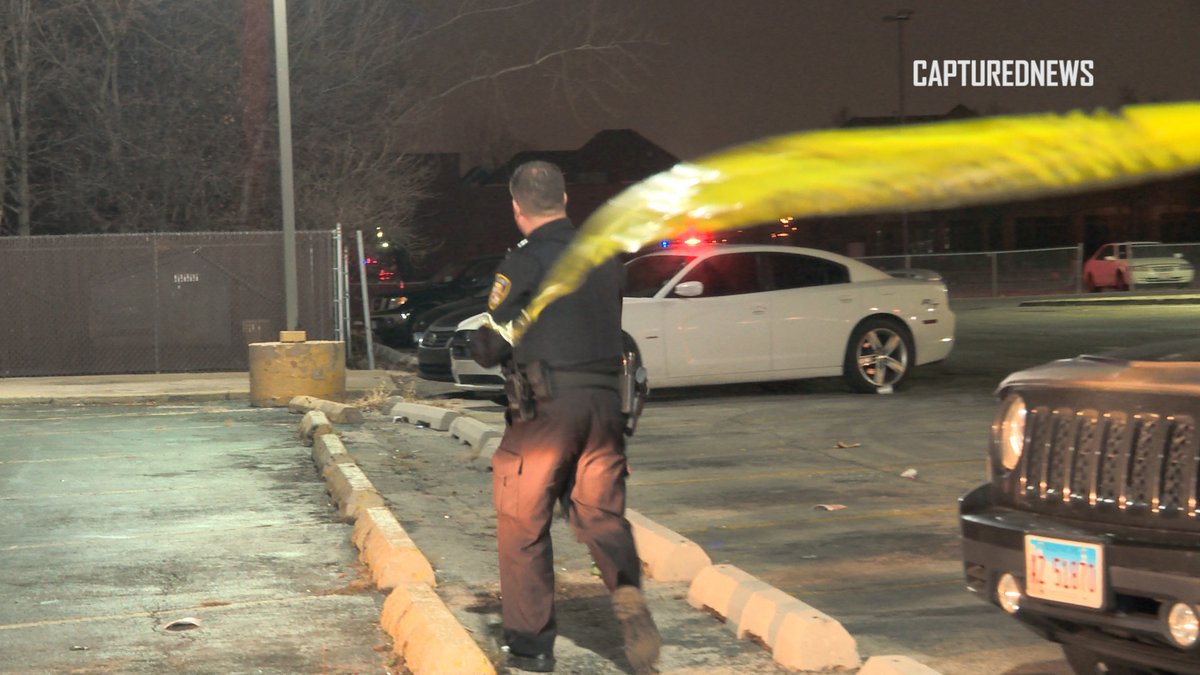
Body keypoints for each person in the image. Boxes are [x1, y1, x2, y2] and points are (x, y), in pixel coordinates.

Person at [470, 160, 659, 674]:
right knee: (600, 513)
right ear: (565, 199)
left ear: (516, 207)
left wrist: (483, 338)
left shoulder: (524, 261)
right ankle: (625, 589)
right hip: (604, 407)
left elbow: (491, 345)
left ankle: (531, 646)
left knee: (522, 521)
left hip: (544, 411)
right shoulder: (602, 258)